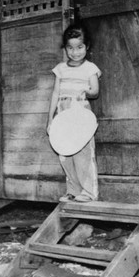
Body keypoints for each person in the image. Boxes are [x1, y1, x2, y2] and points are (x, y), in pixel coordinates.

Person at [47, 22, 101, 202]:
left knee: (83, 153)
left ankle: (88, 192)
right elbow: (55, 94)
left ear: (87, 47)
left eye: (79, 47)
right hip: (62, 114)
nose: (75, 52)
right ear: (65, 48)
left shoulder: (90, 68)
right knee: (65, 153)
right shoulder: (60, 69)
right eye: (70, 48)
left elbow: (95, 90)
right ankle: (73, 191)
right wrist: (50, 120)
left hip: (80, 113)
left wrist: (85, 91)